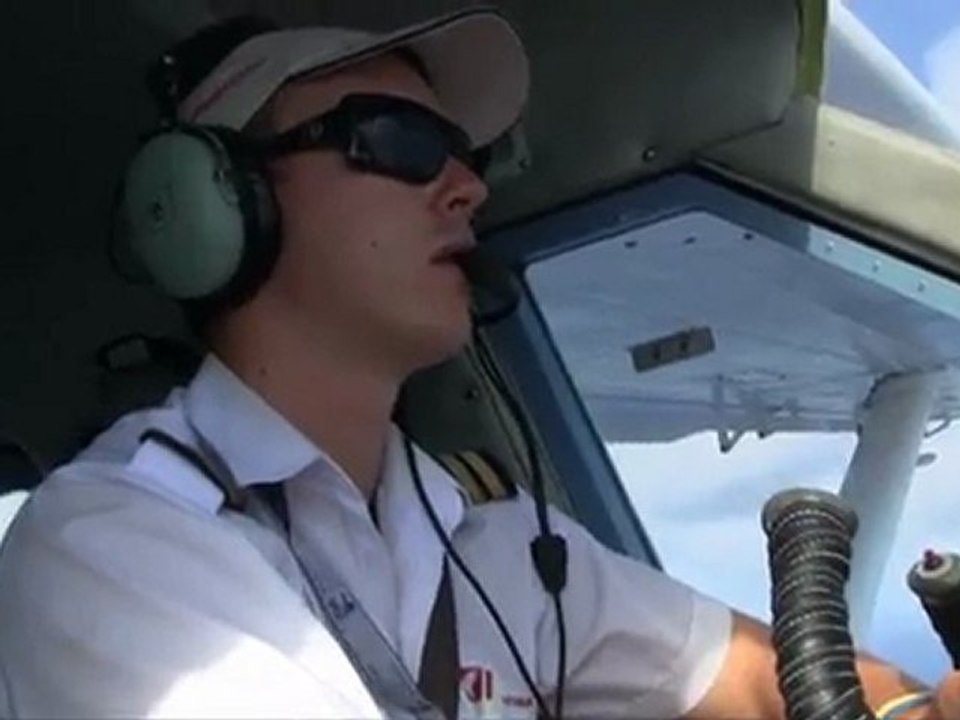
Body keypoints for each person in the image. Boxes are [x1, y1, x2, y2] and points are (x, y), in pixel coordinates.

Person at [0, 7, 957, 719]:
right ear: (218, 203)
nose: (465, 188)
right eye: (400, 142)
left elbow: (757, 683)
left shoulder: (499, 547)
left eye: (467, 158)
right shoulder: (108, 542)